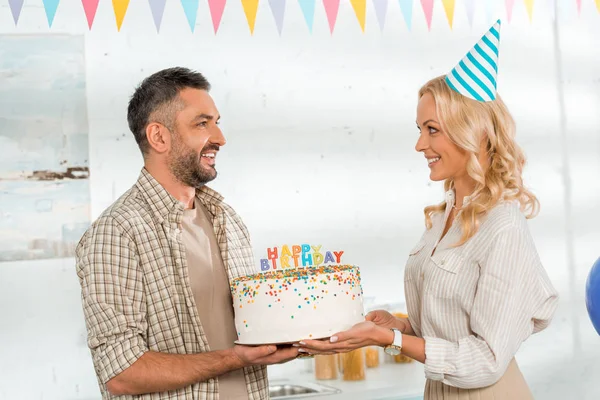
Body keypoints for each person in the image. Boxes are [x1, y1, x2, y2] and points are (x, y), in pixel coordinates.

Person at [298, 20, 558, 399]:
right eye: (419, 129)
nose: (420, 145)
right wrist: (399, 328)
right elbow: (448, 330)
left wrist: (387, 339)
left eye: (432, 129)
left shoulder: (503, 226)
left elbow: (484, 360)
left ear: (474, 132)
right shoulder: (443, 217)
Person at [76, 67, 298, 400]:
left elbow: (248, 327)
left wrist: (296, 334)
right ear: (159, 137)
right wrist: (234, 358)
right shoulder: (117, 233)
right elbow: (122, 373)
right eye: (202, 123)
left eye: (217, 122)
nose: (220, 138)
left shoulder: (227, 220)